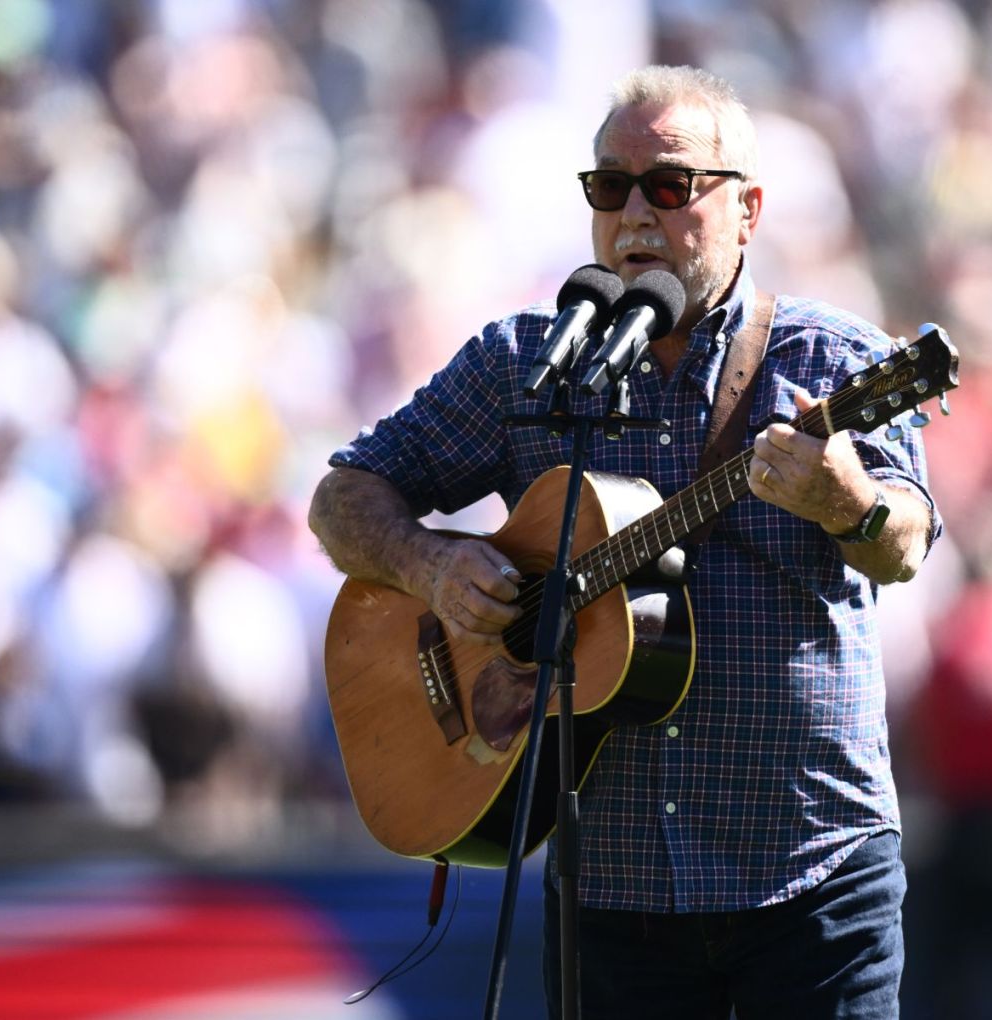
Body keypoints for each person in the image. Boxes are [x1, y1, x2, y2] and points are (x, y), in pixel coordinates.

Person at [308, 64, 941, 1019]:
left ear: (748, 208)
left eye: (671, 183)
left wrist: (846, 498)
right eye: (610, 185)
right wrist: (431, 566)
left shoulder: (833, 360)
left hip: (810, 873)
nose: (635, 210)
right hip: (613, 886)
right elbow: (343, 496)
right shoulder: (531, 363)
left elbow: (903, 540)